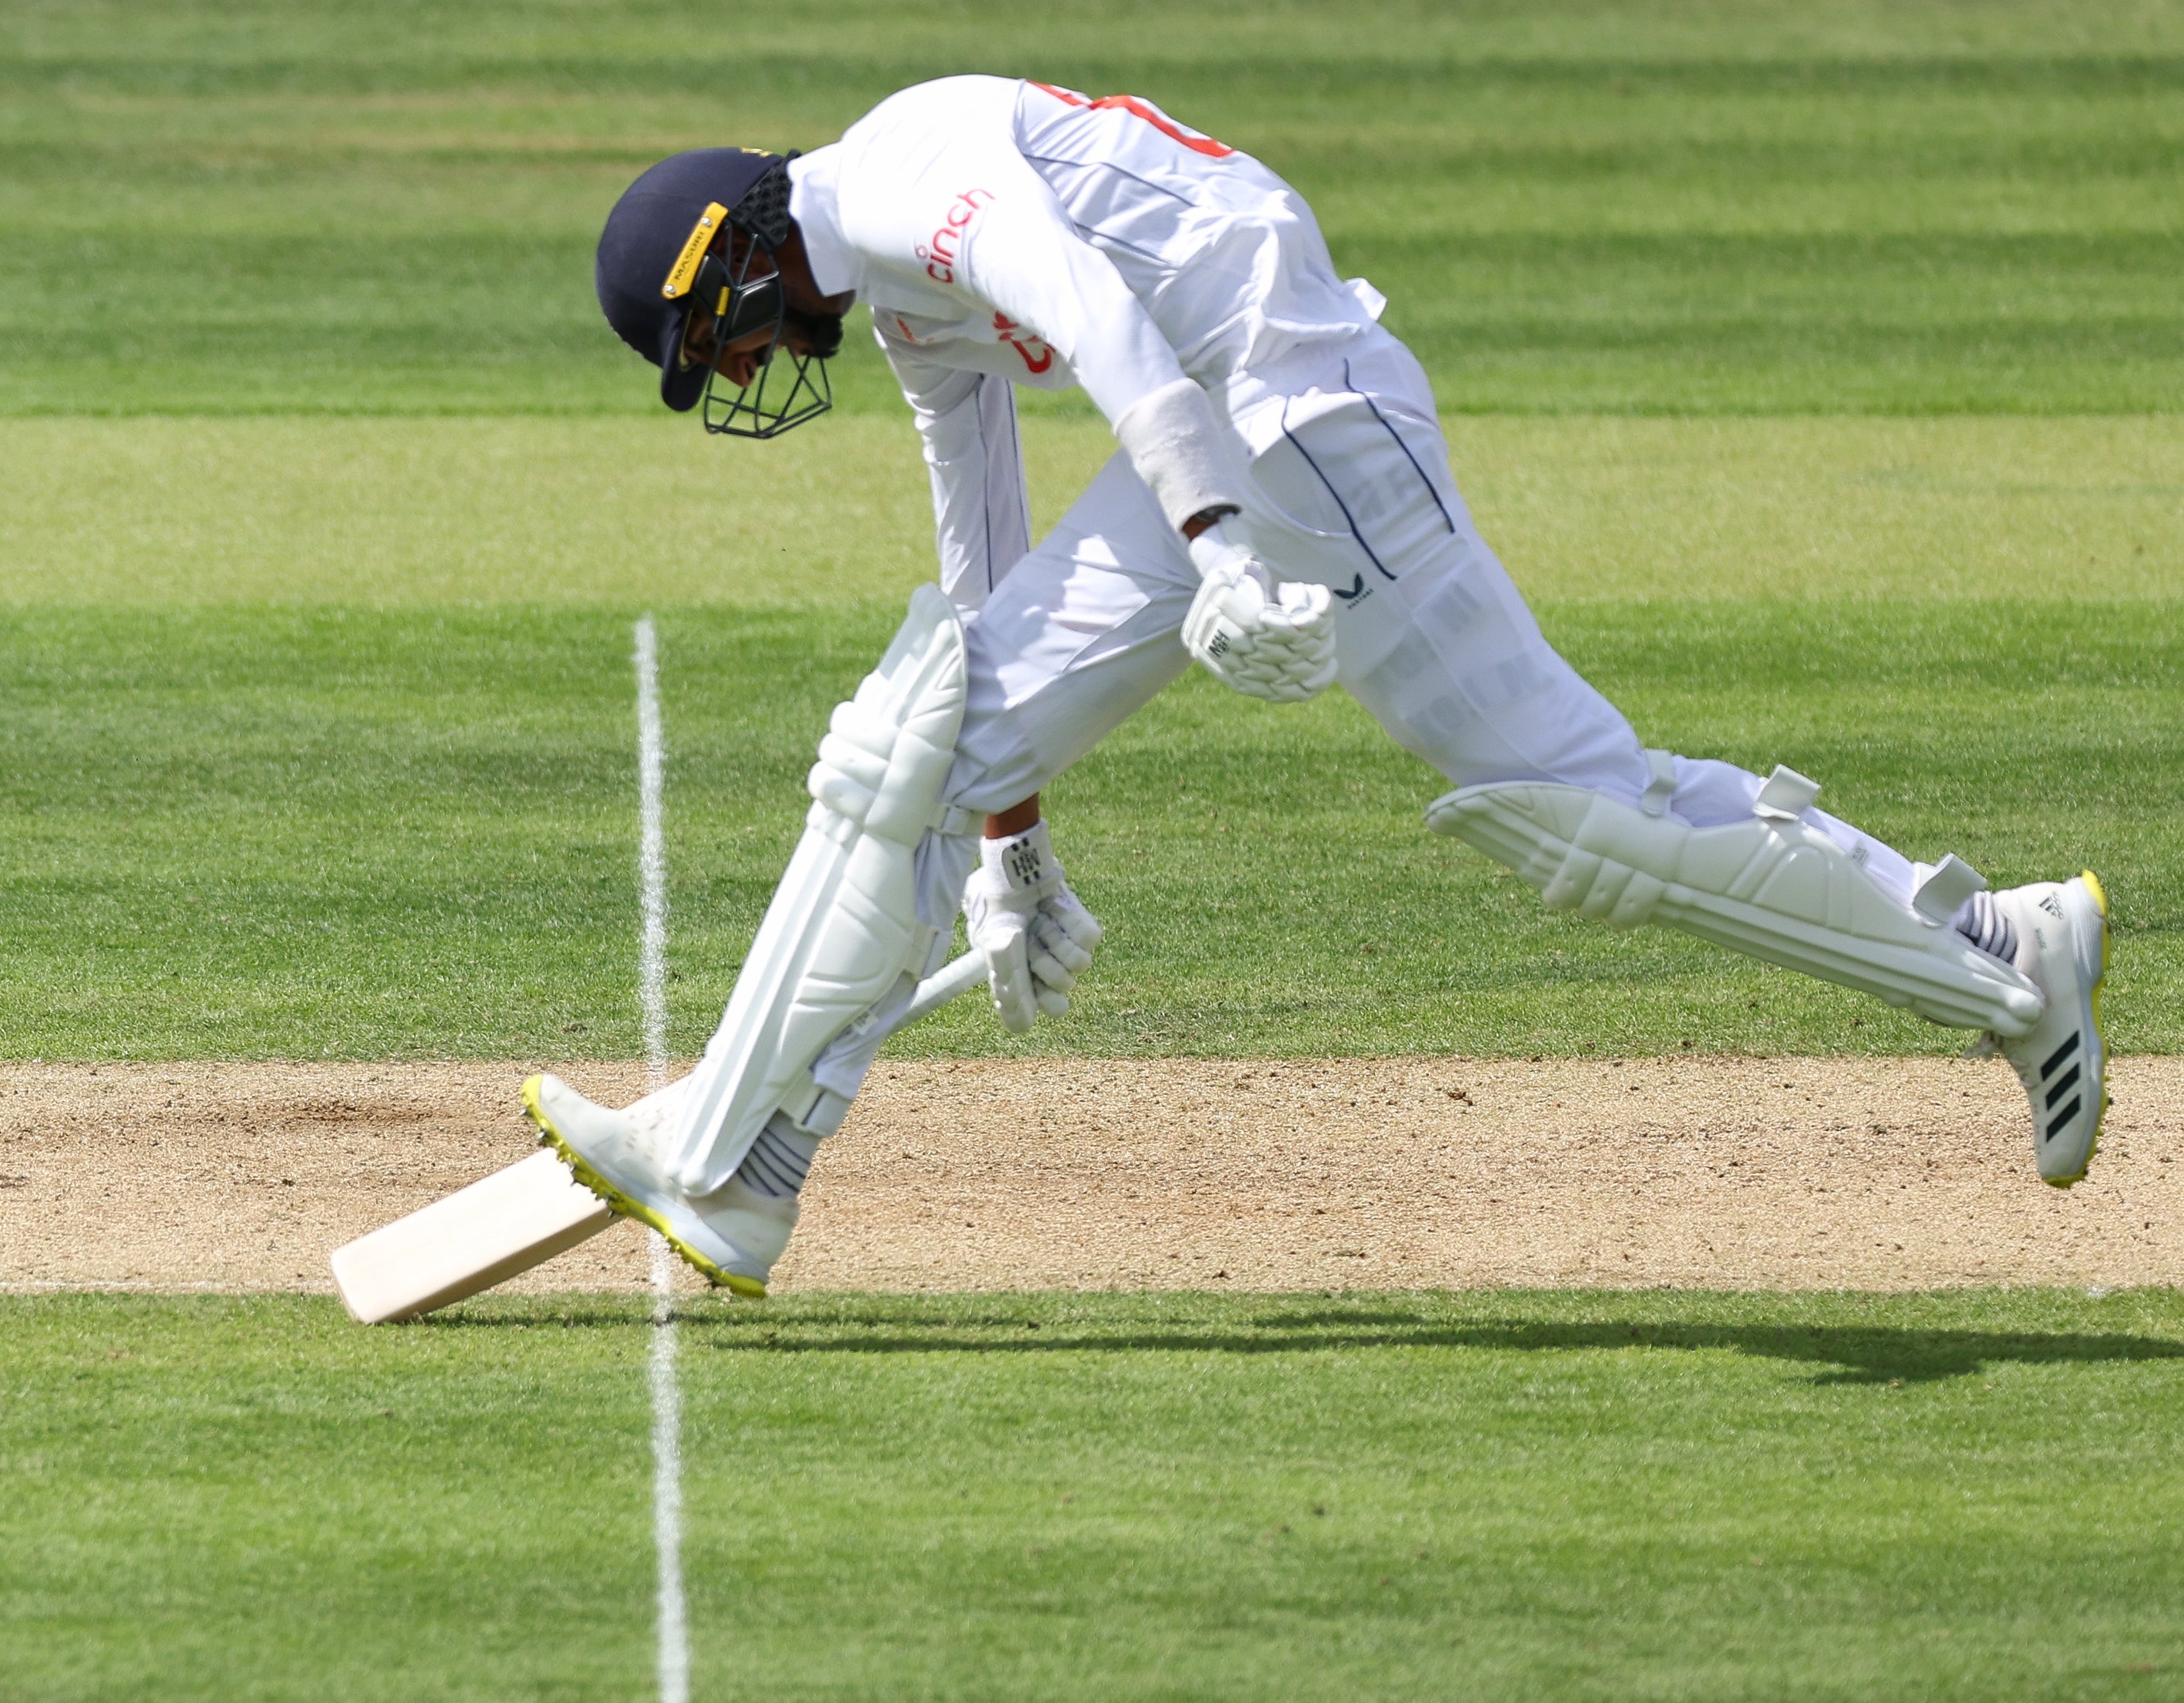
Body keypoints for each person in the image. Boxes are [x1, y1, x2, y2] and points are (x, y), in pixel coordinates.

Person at [525, 77, 2109, 1294]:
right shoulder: (897, 287)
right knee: (944, 738)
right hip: (1262, 421)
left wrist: (1216, 536)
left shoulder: (900, 181)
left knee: (1577, 818)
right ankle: (2006, 949)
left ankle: (727, 1155)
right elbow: (979, 551)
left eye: (715, 337)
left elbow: (1093, 306)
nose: (740, 370)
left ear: (734, 244)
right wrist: (1010, 835)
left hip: (1285, 419)